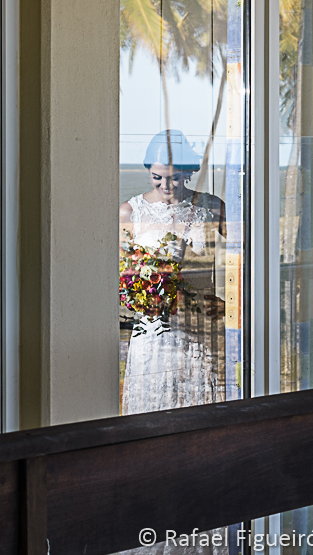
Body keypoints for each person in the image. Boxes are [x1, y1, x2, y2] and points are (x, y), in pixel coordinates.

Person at [119, 130, 226, 416]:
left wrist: (229, 302)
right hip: (154, 329)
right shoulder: (130, 212)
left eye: (175, 177)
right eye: (158, 176)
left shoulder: (212, 206)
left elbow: (241, 258)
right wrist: (143, 293)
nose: (166, 184)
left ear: (189, 171)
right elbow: (122, 272)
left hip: (201, 326)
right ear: (148, 170)